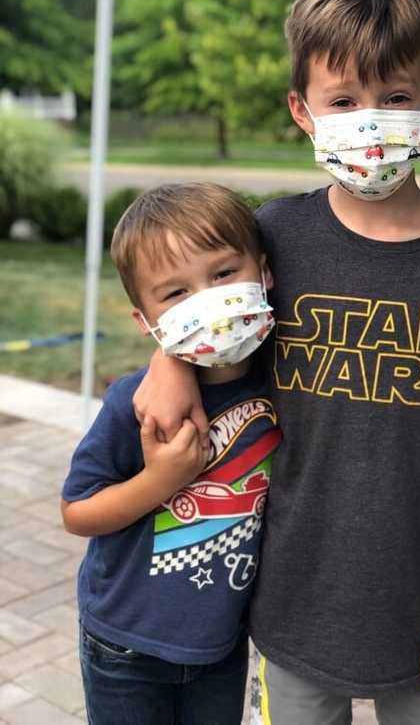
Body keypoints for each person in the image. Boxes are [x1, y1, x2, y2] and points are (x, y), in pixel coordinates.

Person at [133, 0, 420, 725]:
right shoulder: (274, 237)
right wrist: (168, 361)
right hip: (292, 602)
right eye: (344, 100)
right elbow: (203, 304)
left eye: (393, 98)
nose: (370, 119)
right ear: (302, 110)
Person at [61, 183, 281, 725]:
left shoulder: (288, 380)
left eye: (225, 274)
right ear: (146, 322)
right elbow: (77, 512)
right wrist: (161, 479)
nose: (206, 299)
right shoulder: (133, 404)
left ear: (265, 272)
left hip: (222, 642)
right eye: (175, 292)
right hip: (125, 643)